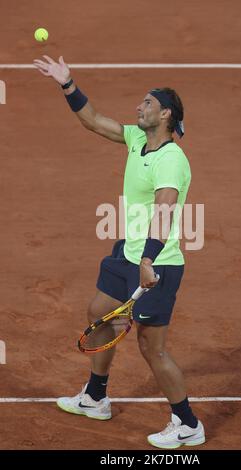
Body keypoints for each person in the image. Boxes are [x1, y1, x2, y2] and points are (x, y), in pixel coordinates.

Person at [33, 55, 205, 449]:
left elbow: (164, 211)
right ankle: (96, 397)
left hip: (156, 262)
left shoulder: (171, 160)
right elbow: (93, 120)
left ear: (165, 114)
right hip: (126, 254)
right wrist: (67, 83)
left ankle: (187, 423)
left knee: (152, 347)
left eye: (146, 103)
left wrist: (147, 261)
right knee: (99, 312)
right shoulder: (136, 140)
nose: (138, 107)